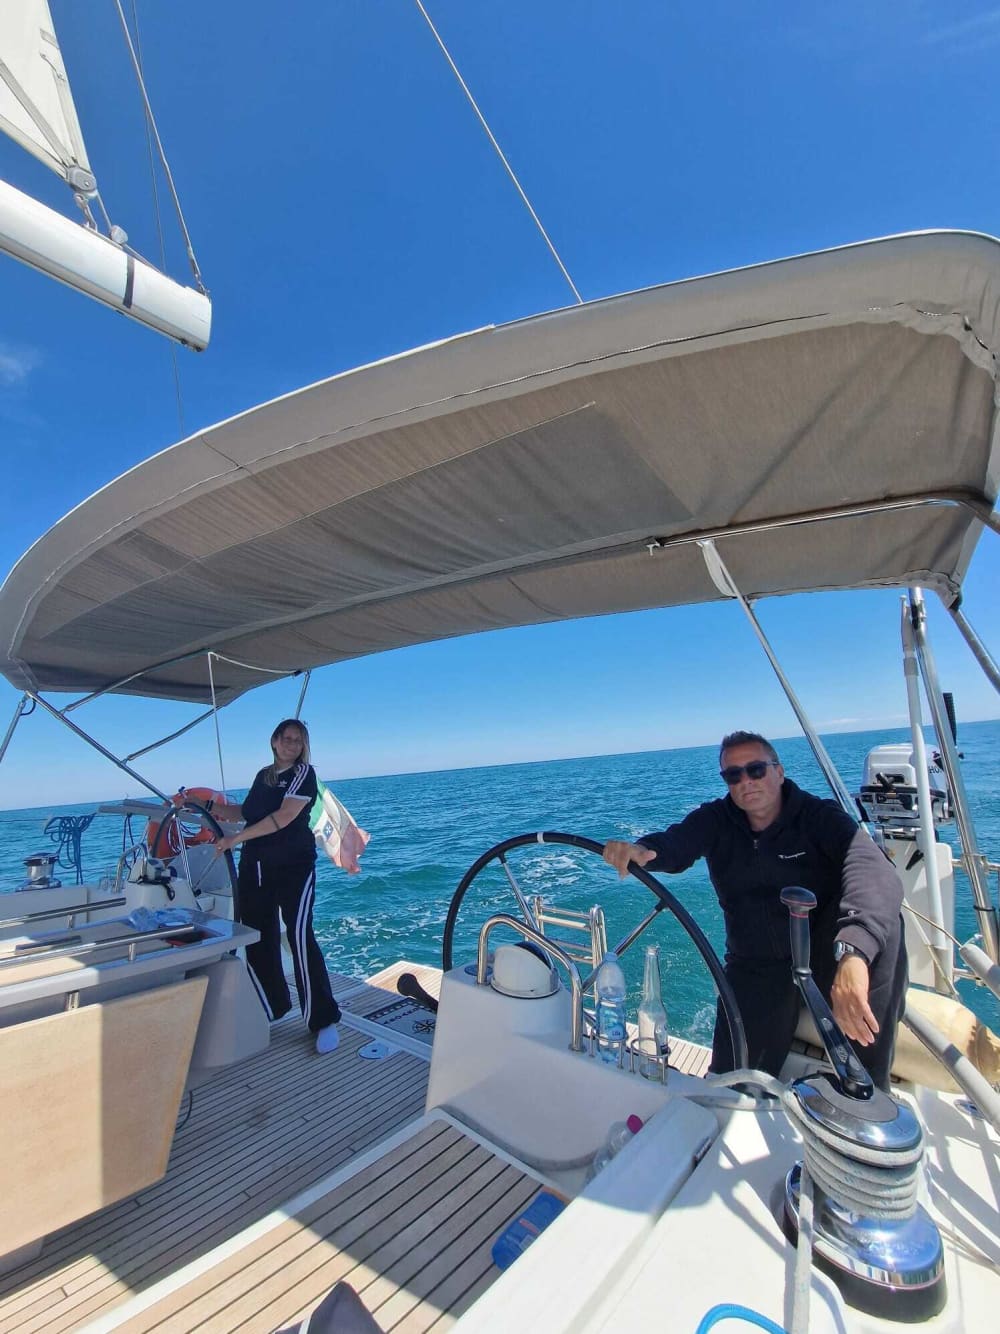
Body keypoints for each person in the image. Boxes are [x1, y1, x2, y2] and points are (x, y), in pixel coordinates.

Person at [602, 731, 907, 1090]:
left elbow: (872, 869)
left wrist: (853, 953)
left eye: (756, 770)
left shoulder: (819, 817)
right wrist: (643, 851)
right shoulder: (716, 820)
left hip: (824, 953)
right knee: (733, 1086)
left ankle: (871, 1089)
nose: (746, 781)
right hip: (757, 962)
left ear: (779, 771)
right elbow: (676, 843)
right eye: (733, 775)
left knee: (886, 931)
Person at [212, 719, 342, 1054]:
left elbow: (283, 817)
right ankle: (272, 1007)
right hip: (255, 868)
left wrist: (235, 839)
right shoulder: (263, 776)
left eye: (298, 741)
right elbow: (248, 811)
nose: (292, 745)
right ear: (274, 741)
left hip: (293, 869)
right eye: (287, 739)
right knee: (257, 937)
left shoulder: (303, 774)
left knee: (299, 937)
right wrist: (209, 808)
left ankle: (323, 1019)